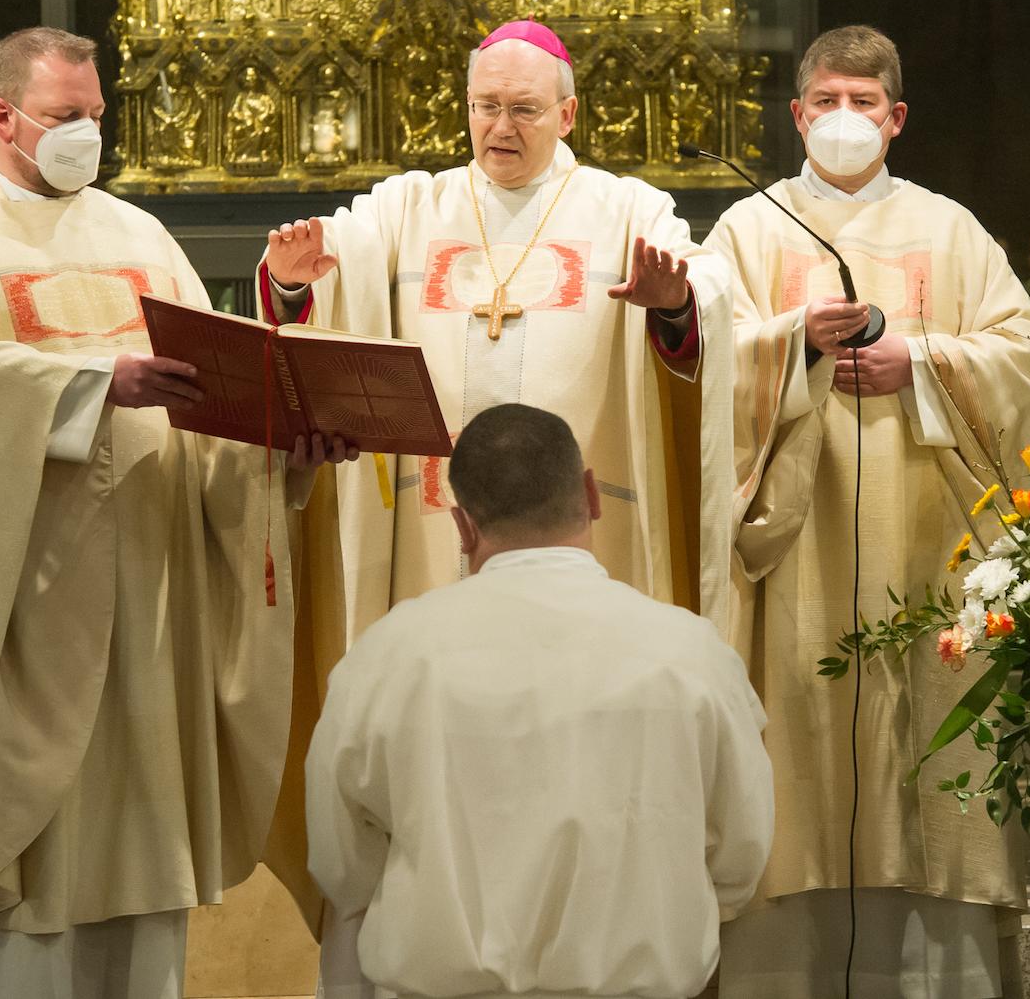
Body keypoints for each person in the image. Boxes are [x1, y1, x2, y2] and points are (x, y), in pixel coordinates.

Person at [0, 26, 347, 997]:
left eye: (97, 117)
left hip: (148, 626)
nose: (88, 134)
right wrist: (94, 385)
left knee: (137, 919)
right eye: (65, 117)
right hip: (21, 616)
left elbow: (200, 401)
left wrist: (277, 444)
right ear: (5, 117)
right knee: (21, 931)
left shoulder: (139, 238)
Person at [254, 19, 736, 939]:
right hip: (431, 551)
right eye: (484, 106)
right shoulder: (408, 208)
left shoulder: (627, 209)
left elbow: (709, 303)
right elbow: (318, 286)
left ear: (568, 112)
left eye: (522, 108)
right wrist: (287, 282)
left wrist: (675, 304)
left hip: (580, 558)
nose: (500, 127)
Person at [711, 25, 1030, 998]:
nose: (844, 120)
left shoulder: (948, 229)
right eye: (826, 101)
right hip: (794, 556)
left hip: (925, 551)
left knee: (928, 769)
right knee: (796, 767)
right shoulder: (748, 229)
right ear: (796, 115)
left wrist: (923, 360)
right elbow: (698, 359)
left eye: (864, 103)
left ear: (895, 118)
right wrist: (790, 346)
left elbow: (1022, 346)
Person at [305, 403, 772, 999]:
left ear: (463, 526)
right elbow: (741, 853)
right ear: (590, 494)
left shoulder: (388, 655)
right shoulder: (692, 654)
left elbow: (342, 865)